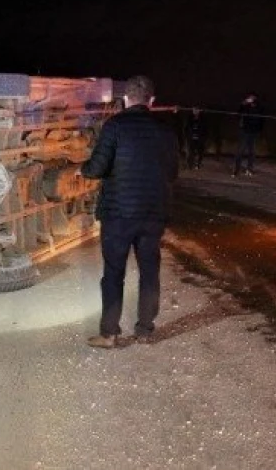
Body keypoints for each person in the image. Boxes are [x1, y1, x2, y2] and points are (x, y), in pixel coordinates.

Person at [80, 76, 179, 348]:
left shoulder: (115, 126)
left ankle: (109, 333)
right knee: (149, 271)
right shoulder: (167, 130)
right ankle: (145, 330)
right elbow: (172, 173)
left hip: (118, 214)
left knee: (113, 273)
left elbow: (96, 168)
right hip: (153, 214)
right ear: (152, 100)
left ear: (125, 99)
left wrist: (83, 168)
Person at [234, 92, 264, 176]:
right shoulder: (245, 106)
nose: (250, 99)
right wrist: (242, 104)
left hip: (254, 132)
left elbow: (262, 120)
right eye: (249, 98)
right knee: (240, 151)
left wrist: (259, 131)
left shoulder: (259, 108)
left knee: (252, 152)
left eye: (252, 98)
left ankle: (249, 169)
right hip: (244, 131)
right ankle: (237, 169)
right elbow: (239, 113)